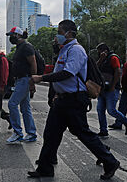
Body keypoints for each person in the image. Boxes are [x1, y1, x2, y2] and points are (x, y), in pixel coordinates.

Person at [29, 20, 119, 180]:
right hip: (63, 100)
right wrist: (56, 92)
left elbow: (68, 73)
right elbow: (61, 75)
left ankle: (110, 161)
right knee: (51, 133)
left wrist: (41, 78)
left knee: (82, 132)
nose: (56, 37)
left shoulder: (76, 50)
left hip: (74, 100)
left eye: (59, 32)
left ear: (69, 33)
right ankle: (45, 167)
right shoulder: (65, 50)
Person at [5, 26, 37, 143]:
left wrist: (33, 80)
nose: (11, 38)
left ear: (18, 35)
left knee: (12, 104)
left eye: (12, 35)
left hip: (25, 79)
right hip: (20, 79)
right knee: (25, 108)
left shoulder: (26, 47)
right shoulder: (19, 47)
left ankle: (18, 133)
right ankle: (31, 133)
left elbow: (33, 63)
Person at [96, 43, 127, 137]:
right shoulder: (102, 60)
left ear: (105, 50)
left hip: (111, 89)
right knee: (100, 110)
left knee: (111, 110)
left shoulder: (113, 58)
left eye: (100, 51)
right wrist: (100, 59)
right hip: (102, 89)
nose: (99, 53)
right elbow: (95, 68)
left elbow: (117, 71)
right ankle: (103, 130)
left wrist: (113, 86)